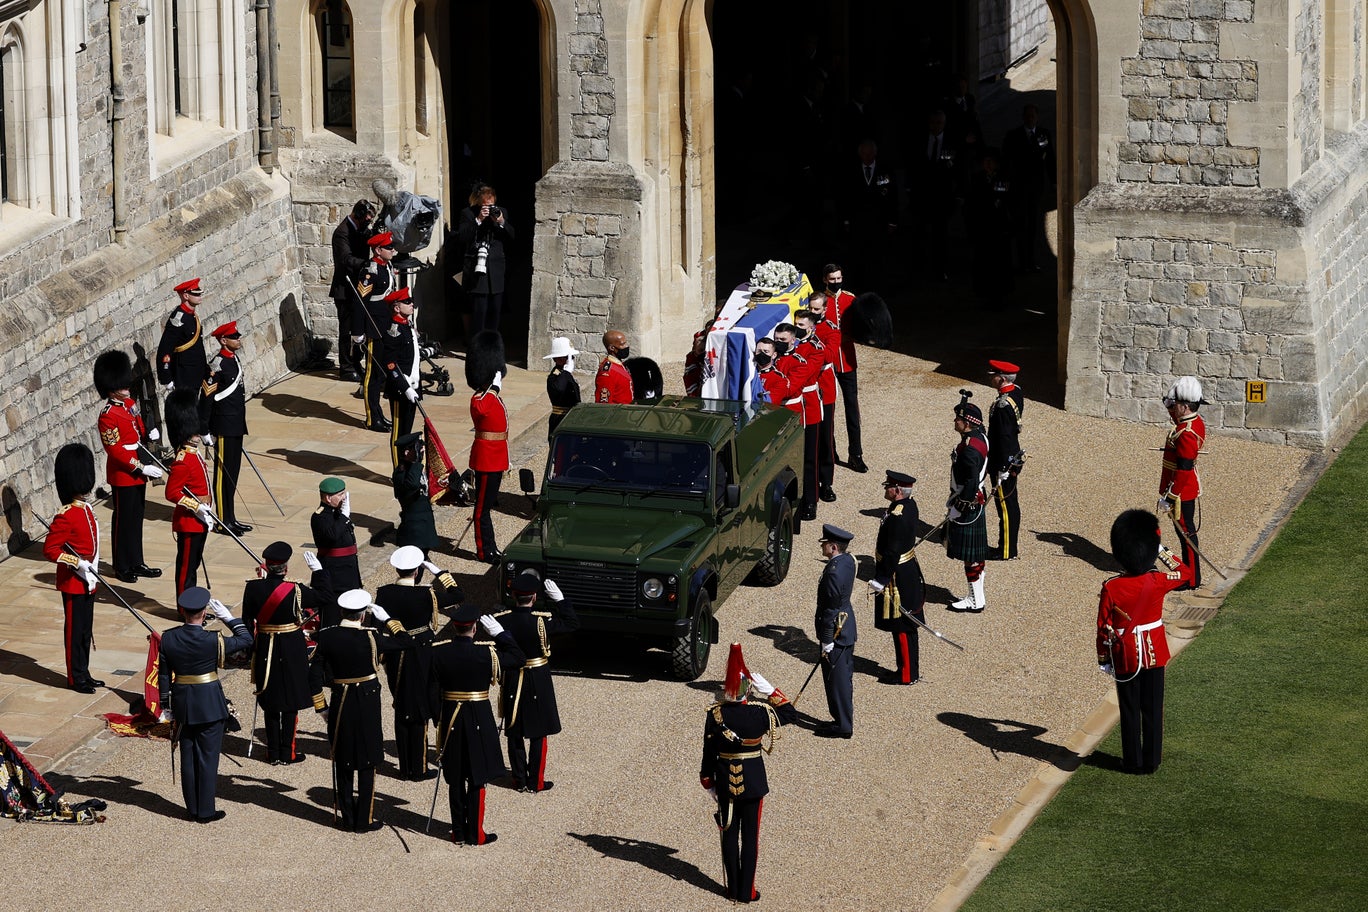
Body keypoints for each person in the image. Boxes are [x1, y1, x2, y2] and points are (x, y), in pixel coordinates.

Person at [308, 589, 413, 832]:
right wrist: (388, 620)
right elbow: (406, 642)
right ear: (363, 616)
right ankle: (364, 819)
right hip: (366, 702)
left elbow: (313, 676)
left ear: (342, 611)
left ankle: (346, 818)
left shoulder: (327, 636)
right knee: (367, 758)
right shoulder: (372, 636)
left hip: (340, 700)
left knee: (343, 758)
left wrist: (321, 707)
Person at [1097, 509, 1193, 774]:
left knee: (1129, 711)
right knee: (1153, 709)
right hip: (1154, 652)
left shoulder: (1112, 587)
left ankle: (1132, 761)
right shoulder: (1158, 580)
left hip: (1126, 654)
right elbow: (1184, 572)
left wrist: (1104, 659)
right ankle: (1151, 761)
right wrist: (1161, 549)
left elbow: (1102, 628)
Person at [430, 603, 526, 845]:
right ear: (475, 628)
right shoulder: (486, 654)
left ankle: (458, 832)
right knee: (476, 777)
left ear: (454, 626)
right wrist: (501, 634)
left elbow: (430, 688)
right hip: (478, 720)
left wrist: (436, 717)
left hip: (450, 718)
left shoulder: (439, 653)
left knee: (455, 778)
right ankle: (476, 833)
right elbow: (518, 658)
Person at [158, 585, 253, 823]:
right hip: (209, 702)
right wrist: (229, 618)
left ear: (183, 611)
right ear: (204, 613)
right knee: (208, 759)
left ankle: (192, 808)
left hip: (182, 703)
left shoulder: (169, 637)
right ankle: (205, 811)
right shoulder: (213, 640)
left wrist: (165, 704)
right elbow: (246, 639)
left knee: (188, 756)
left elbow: (163, 675)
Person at [699, 643, 781, 904]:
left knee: (729, 837)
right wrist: (771, 692)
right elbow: (790, 713)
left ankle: (732, 889)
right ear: (749, 689)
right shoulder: (761, 713)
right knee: (750, 841)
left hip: (724, 782)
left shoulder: (715, 715)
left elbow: (708, 752)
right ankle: (747, 892)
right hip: (754, 783)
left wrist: (708, 782)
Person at [499, 572, 580, 793]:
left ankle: (519, 779)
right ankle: (536, 781)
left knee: (514, 729)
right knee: (538, 731)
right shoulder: (540, 623)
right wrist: (561, 600)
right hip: (537, 677)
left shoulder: (502, 621)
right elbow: (572, 623)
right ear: (534, 597)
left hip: (514, 676)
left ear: (514, 595)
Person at [240, 541, 317, 765]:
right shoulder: (295, 589)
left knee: (270, 699)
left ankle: (272, 753)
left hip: (265, 645)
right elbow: (326, 597)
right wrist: (318, 572)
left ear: (266, 565)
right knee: (290, 701)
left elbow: (246, 620)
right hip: (292, 646)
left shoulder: (253, 588)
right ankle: (288, 752)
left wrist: (253, 643)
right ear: (285, 568)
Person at [375, 546, 445, 780]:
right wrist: (437, 571)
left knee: (401, 703)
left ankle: (405, 767)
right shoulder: (426, 593)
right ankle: (419, 767)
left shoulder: (384, 592)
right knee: (420, 706)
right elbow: (457, 595)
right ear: (417, 571)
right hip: (421, 651)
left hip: (396, 652)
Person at [94, 350, 163, 584]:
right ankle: (122, 566)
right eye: (121, 385)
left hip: (138, 466)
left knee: (136, 517)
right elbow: (114, 450)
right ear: (111, 388)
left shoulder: (129, 404)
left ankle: (137, 561)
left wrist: (149, 433)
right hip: (124, 473)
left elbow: (138, 426)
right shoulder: (107, 415)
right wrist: (140, 467)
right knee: (123, 520)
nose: (126, 387)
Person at [43, 444, 102, 693]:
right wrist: (76, 562)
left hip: (88, 580)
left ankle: (84, 672)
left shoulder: (86, 509)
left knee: (85, 631)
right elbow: (51, 550)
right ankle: (74, 677)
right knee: (74, 633)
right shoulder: (65, 515)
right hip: (74, 582)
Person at [868, 471, 924, 685]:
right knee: (902, 625)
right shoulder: (907, 506)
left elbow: (892, 552)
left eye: (888, 486)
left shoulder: (898, 516)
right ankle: (905, 668)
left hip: (896, 574)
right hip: (904, 569)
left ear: (898, 491)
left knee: (902, 625)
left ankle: (907, 674)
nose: (885, 489)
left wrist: (881, 578)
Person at [165, 389, 217, 597]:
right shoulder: (183, 460)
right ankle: (184, 607)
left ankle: (193, 605)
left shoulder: (193, 455)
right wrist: (197, 507)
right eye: (194, 432)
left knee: (193, 565)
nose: (198, 435)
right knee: (186, 569)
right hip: (190, 521)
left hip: (200, 519)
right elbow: (172, 493)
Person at [201, 321, 251, 535]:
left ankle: (231, 517)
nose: (238, 339)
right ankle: (222, 520)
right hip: (222, 424)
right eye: (234, 337)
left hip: (236, 423)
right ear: (223, 340)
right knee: (223, 475)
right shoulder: (217, 365)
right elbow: (206, 399)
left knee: (233, 472)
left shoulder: (233, 359)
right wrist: (204, 429)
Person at [1158, 376, 1207, 590]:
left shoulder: (1186, 433)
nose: (1173, 408)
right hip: (1182, 491)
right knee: (1185, 534)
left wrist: (1170, 496)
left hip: (1181, 493)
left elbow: (1184, 469)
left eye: (1177, 405)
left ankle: (1191, 579)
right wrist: (1170, 402)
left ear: (1185, 406)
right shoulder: (1192, 422)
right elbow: (1173, 414)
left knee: (1186, 535)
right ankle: (1190, 575)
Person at [817, 264, 866, 472]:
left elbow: (859, 327)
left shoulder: (850, 299)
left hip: (846, 359)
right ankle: (830, 450)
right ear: (825, 280)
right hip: (827, 363)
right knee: (828, 408)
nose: (836, 282)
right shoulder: (819, 301)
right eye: (832, 279)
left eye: (838, 278)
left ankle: (856, 454)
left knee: (852, 410)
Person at [466, 331, 508, 564]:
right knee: (482, 510)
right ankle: (484, 551)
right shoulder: (480, 398)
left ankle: (491, 547)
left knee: (488, 507)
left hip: (495, 458)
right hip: (485, 460)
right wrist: (494, 388)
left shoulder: (490, 396)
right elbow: (482, 410)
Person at [772, 323, 822, 521]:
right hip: (776, 411)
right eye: (777, 340)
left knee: (807, 459)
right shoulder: (771, 357)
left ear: (793, 340)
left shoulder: (799, 361)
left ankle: (810, 500)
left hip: (793, 410)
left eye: (783, 340)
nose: (779, 343)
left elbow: (791, 388)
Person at [946, 395, 990, 613]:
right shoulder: (980, 437)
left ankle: (974, 600)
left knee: (970, 559)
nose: (955, 421)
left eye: (958, 418)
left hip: (968, 503)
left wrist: (961, 504)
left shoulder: (970, 449)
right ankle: (978, 597)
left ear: (968, 422)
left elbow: (971, 479)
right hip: (976, 499)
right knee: (976, 556)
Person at [455, 182, 515, 337]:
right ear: (479, 203)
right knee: (479, 314)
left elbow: (512, 237)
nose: (489, 208)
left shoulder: (502, 213)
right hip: (477, 272)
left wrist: (501, 222)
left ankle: (491, 348)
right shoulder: (468, 213)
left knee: (495, 313)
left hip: (496, 271)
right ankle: (476, 347)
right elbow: (462, 237)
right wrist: (479, 220)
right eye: (486, 205)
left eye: (492, 205)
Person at [815, 524, 857, 738]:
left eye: (825, 544)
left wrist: (826, 639)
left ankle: (843, 725)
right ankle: (840, 719)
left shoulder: (833, 573)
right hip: (845, 624)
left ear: (833, 547)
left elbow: (831, 609)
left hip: (836, 632)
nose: (822, 547)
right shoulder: (847, 561)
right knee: (839, 678)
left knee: (837, 681)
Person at [1001, 103, 1055, 272]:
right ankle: (1020, 261)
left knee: (1032, 227)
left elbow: (1050, 159)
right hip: (1018, 188)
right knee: (1019, 225)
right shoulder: (1013, 136)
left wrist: (1054, 181)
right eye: (1028, 115)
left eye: (1033, 115)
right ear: (1023, 117)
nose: (1030, 118)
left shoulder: (1043, 134)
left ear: (1037, 117)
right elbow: (1006, 162)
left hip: (1035, 188)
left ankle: (1030, 262)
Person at [354, 231, 399, 432]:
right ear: (378, 250)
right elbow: (360, 303)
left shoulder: (386, 266)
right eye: (389, 248)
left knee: (381, 375)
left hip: (386, 325)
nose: (393, 250)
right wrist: (358, 331)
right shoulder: (369, 271)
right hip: (374, 328)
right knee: (373, 375)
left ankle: (379, 413)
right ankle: (372, 418)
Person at [330, 199, 376, 382]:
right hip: (345, 289)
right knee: (347, 331)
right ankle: (347, 367)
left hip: (358, 287)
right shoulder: (342, 233)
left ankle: (357, 363)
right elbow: (346, 259)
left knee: (359, 328)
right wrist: (366, 264)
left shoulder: (359, 230)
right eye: (365, 219)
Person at [796, 307, 837, 503]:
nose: (797, 328)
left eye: (800, 325)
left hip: (815, 394)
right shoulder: (792, 344)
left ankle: (826, 482)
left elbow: (809, 369)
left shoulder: (817, 345)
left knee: (823, 441)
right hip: (799, 401)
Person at [986, 359, 1026, 560]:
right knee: (1009, 504)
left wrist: (1002, 466)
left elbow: (1003, 438)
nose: (990, 378)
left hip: (1003, 461)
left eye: (993, 375)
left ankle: (1007, 550)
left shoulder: (1002, 405)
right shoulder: (1015, 392)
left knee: (1006, 507)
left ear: (1001, 378)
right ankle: (1008, 547)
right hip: (1011, 456)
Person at [382, 286, 421, 467]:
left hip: (413, 385)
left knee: (408, 430)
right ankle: (398, 469)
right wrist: (405, 388)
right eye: (407, 302)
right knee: (399, 432)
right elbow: (390, 364)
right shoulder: (393, 329)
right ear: (397, 307)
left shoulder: (407, 325)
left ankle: (406, 465)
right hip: (401, 389)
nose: (411, 304)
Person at [156, 278, 209, 398]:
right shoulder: (178, 319)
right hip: (184, 375)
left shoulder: (192, 315)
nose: (199, 296)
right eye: (195, 294)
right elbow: (165, 349)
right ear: (186, 296)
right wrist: (167, 379)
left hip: (196, 373)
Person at [310, 477, 362, 595]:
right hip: (335, 573)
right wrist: (344, 517)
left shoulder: (338, 513)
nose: (344, 498)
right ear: (328, 498)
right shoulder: (320, 517)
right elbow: (332, 536)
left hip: (348, 568)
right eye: (340, 495)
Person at [392, 432, 439, 554]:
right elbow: (412, 485)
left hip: (425, 523)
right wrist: (417, 461)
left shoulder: (415, 468)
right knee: (415, 564)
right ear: (407, 452)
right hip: (413, 529)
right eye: (417, 449)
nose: (421, 452)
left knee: (422, 561)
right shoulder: (401, 472)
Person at [544, 337, 582, 440]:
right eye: (569, 357)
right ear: (558, 359)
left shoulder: (565, 375)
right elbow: (559, 389)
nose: (572, 360)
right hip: (560, 419)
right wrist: (567, 372)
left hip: (571, 417)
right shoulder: (554, 376)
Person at [595, 330, 635, 404]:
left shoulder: (619, 364)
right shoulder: (606, 374)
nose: (626, 346)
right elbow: (603, 404)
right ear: (612, 348)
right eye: (622, 344)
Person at [753, 338, 790, 407]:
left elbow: (769, 403)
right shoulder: (750, 372)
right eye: (759, 351)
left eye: (766, 351)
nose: (762, 354)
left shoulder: (780, 380)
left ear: (774, 355)